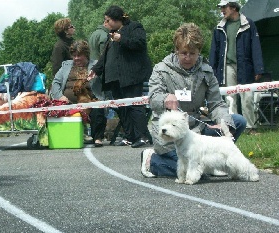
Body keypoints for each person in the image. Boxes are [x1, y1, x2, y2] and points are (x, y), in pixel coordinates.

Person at [141, 23, 247, 178]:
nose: (188, 57)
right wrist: (164, 98)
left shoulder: (206, 71)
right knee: (194, 171)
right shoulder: (161, 69)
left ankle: (212, 163)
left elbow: (216, 103)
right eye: (183, 53)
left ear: (199, 52)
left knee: (237, 121)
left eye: (193, 53)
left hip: (196, 130)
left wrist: (224, 122)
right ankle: (152, 161)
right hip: (169, 134)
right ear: (176, 50)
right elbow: (153, 98)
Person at [87, 5, 153, 148]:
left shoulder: (134, 27)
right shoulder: (111, 35)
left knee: (134, 106)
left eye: (107, 20)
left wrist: (121, 38)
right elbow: (105, 56)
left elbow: (140, 43)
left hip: (131, 76)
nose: (105, 23)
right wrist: (95, 70)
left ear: (117, 19)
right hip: (114, 79)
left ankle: (142, 136)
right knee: (121, 108)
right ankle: (130, 136)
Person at [209, 0, 264, 134]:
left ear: (233, 7)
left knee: (247, 98)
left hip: (245, 66)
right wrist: (211, 70)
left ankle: (250, 127)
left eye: (224, 7)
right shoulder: (219, 27)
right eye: (221, 7)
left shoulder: (248, 24)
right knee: (230, 99)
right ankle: (234, 127)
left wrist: (259, 68)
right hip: (226, 67)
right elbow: (214, 50)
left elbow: (255, 47)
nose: (222, 10)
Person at [50, 40, 106, 147]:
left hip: (90, 101)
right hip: (68, 102)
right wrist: (60, 96)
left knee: (98, 108)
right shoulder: (66, 66)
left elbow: (104, 81)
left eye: (79, 55)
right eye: (74, 55)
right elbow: (55, 83)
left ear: (86, 54)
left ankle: (97, 138)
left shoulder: (96, 65)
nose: (76, 58)